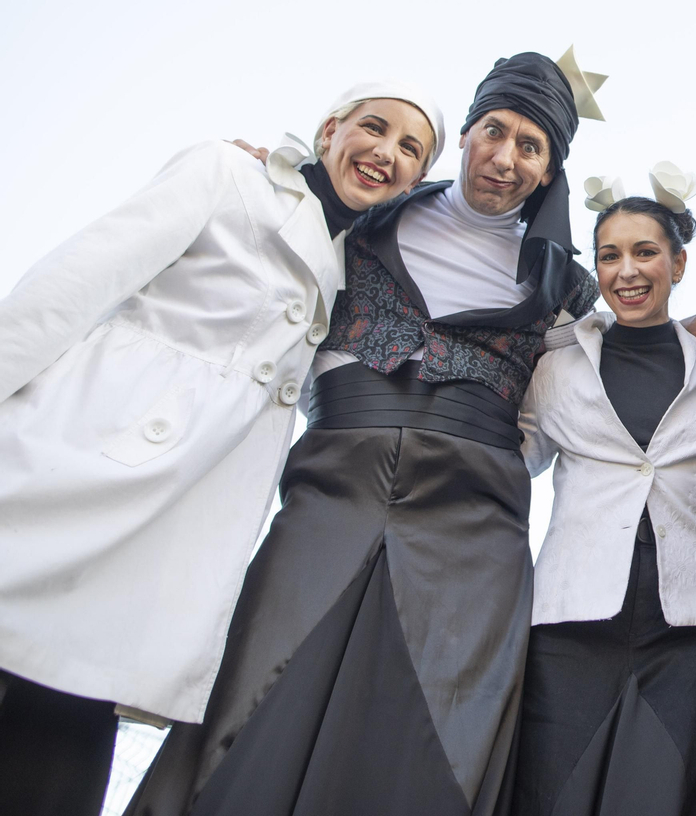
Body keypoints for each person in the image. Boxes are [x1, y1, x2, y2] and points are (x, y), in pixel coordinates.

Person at [128, 50, 602, 815]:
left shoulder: (567, 289)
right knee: (257, 688)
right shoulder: (356, 222)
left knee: (432, 727)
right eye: (494, 131)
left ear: (550, 170)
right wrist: (267, 172)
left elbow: (562, 407)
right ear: (464, 135)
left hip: (472, 522)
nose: (506, 158)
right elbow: (270, 252)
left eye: (531, 146)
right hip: (330, 486)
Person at [0, 82, 444, 816]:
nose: (385, 152)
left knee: (61, 737)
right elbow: (66, 290)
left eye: (410, 150)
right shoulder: (227, 174)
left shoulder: (357, 273)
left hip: (168, 528)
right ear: (329, 130)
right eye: (374, 127)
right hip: (69, 465)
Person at [513, 168, 696, 816]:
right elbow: (513, 463)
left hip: (687, 627)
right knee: (552, 792)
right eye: (610, 255)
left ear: (678, 264)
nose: (626, 271)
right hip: (570, 621)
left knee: (679, 793)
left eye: (645, 251)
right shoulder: (558, 366)